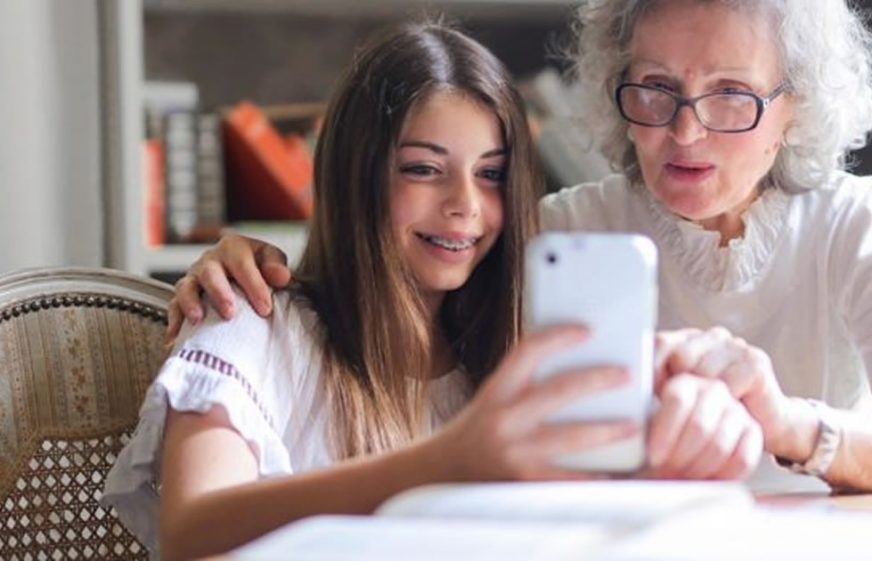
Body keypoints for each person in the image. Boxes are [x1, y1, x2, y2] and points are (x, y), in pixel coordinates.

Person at [170, 0, 872, 494]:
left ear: (796, 110)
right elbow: (387, 283)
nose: (683, 129)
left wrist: (787, 422)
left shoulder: (861, 224)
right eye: (656, 88)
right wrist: (245, 259)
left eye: (731, 95)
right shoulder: (553, 230)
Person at [102, 21, 766, 561]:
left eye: (491, 175)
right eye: (423, 169)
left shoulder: (507, 354)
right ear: (354, 176)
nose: (464, 208)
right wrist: (450, 460)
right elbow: (191, 533)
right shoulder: (249, 321)